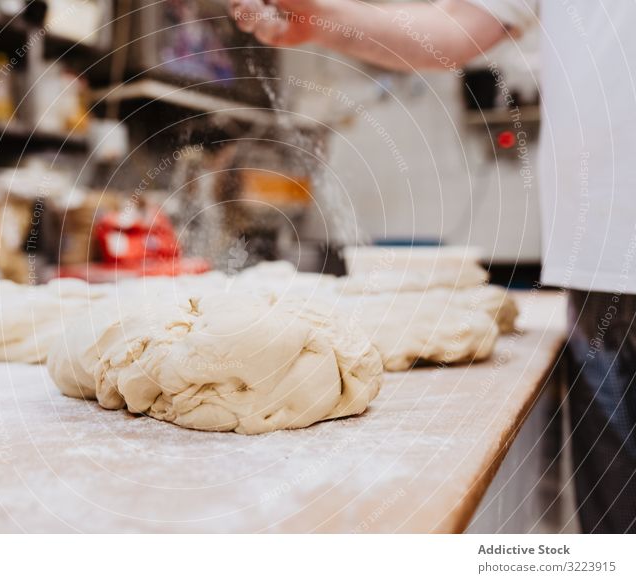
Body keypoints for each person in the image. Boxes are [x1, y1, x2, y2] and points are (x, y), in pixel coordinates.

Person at [230, 0, 636, 534]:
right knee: (615, 528)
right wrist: (320, 17)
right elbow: (449, 30)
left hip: (598, 273)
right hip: (599, 272)